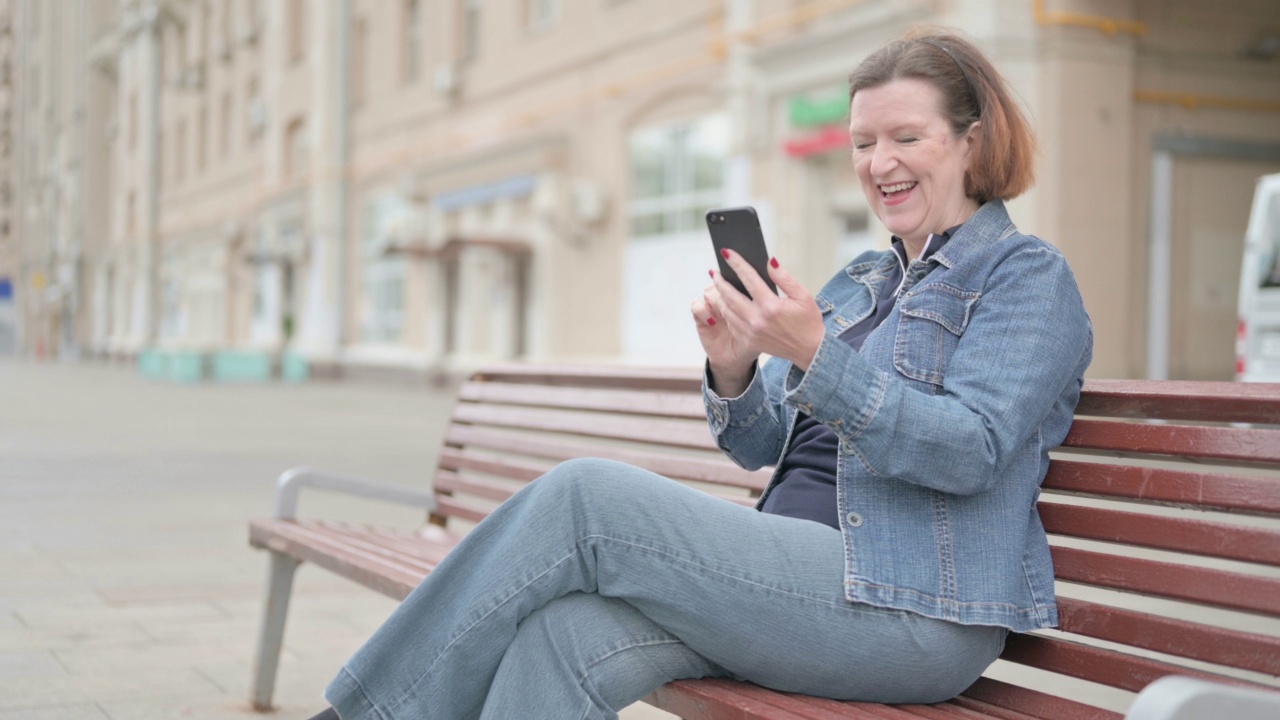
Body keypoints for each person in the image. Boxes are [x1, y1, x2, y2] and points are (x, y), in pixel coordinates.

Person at [308, 29, 1092, 720]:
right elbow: (762, 447)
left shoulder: (1025, 277)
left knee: (587, 499)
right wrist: (735, 368)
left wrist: (820, 358)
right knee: (564, 634)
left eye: (905, 138)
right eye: (861, 142)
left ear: (971, 140)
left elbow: (970, 451)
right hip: (792, 576)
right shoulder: (863, 280)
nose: (878, 163)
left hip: (915, 606)